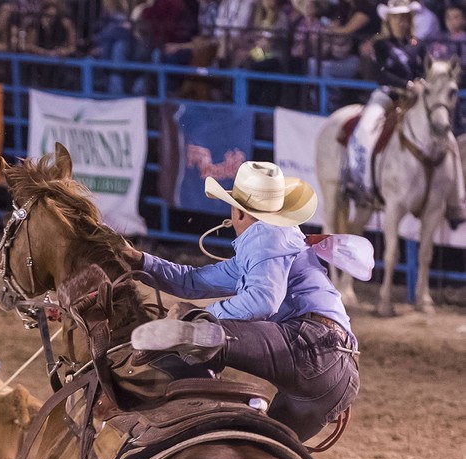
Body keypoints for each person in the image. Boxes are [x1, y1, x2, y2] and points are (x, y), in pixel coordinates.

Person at [124, 161, 360, 442]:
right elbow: (192, 281)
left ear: (237, 210)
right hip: (336, 376)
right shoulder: (278, 241)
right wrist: (142, 261)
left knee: (200, 335)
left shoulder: (266, 234)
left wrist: (202, 315)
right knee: (260, 449)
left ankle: (169, 415)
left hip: (310, 346)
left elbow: (262, 301)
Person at [346, 0, 466, 226]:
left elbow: (424, 70)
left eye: (405, 17)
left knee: (448, 137)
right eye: (397, 17)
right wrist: (408, 84)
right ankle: (358, 181)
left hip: (416, 99)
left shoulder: (418, 45)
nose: (401, 21)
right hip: (387, 95)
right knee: (365, 128)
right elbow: (382, 75)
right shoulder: (381, 45)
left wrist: (422, 83)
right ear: (389, 20)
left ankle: (455, 202)